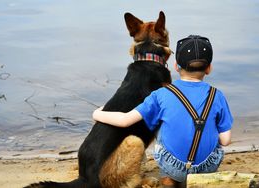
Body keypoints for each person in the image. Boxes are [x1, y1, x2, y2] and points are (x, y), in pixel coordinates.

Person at [93, 35, 233, 188]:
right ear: (209, 68)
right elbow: (226, 141)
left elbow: (125, 120)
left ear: (176, 66)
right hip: (207, 168)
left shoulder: (161, 94)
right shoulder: (217, 95)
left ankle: (169, 179)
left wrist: (98, 113)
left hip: (174, 166)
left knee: (158, 122)